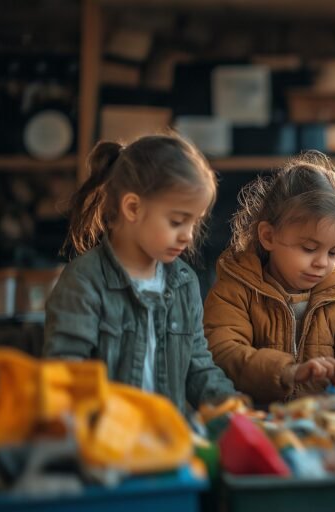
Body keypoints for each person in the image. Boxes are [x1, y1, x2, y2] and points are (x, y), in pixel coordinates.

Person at [44, 135, 236, 414]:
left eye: (194, 222)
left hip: (167, 437)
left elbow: (198, 366)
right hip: (106, 440)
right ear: (133, 208)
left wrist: (232, 405)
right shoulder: (84, 280)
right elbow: (64, 372)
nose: (188, 235)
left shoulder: (184, 282)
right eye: (177, 221)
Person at [204, 151, 335, 404]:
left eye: (333, 252)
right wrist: (287, 372)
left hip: (322, 420)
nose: (322, 262)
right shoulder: (235, 288)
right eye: (309, 248)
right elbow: (224, 352)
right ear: (268, 236)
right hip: (257, 420)